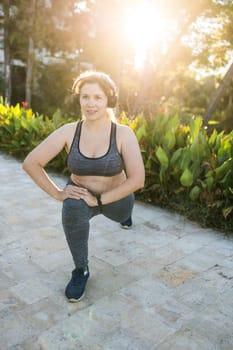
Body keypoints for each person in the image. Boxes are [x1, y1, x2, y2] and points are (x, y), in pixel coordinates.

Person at [23, 70, 145, 302]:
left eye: (97, 97)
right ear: (79, 99)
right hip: (81, 194)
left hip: (115, 200)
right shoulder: (70, 131)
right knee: (71, 208)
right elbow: (31, 162)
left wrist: (98, 201)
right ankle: (81, 270)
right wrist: (58, 193)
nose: (90, 104)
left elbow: (137, 179)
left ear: (109, 100)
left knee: (122, 214)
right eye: (85, 97)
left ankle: (125, 218)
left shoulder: (122, 134)